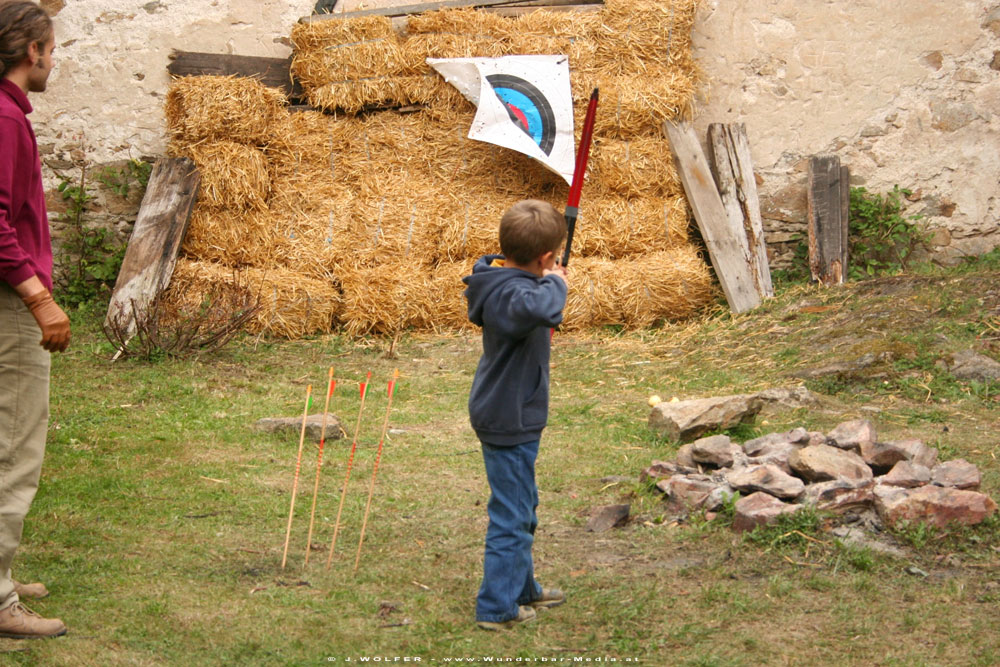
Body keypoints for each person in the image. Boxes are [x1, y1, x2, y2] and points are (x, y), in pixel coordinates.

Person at [462, 199, 569, 631]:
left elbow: (536, 301)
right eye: (554, 258)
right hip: (509, 417)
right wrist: (558, 282)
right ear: (544, 257)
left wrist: (546, 276)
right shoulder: (514, 295)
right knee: (511, 514)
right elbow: (545, 308)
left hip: (509, 411)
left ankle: (522, 588)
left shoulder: (501, 279)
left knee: (524, 506)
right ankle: (496, 606)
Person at [0, 0, 70, 639]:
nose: (56, 57)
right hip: (9, 303)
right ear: (31, 53)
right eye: (52, 46)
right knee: (13, 448)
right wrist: (38, 298)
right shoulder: (1, 117)